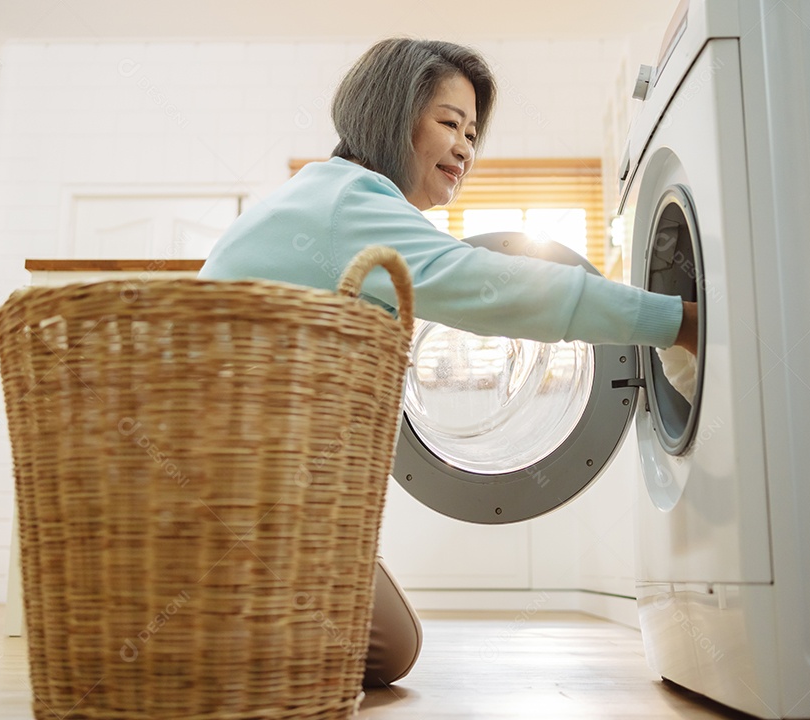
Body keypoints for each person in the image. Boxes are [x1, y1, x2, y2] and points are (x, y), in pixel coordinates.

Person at [199, 38, 699, 687]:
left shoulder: (328, 197)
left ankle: (225, 617)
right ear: (389, 114)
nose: (465, 147)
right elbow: (490, 286)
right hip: (226, 493)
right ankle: (216, 620)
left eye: (472, 131)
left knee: (381, 642)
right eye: (447, 122)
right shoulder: (345, 202)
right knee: (387, 648)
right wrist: (675, 321)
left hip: (230, 482)